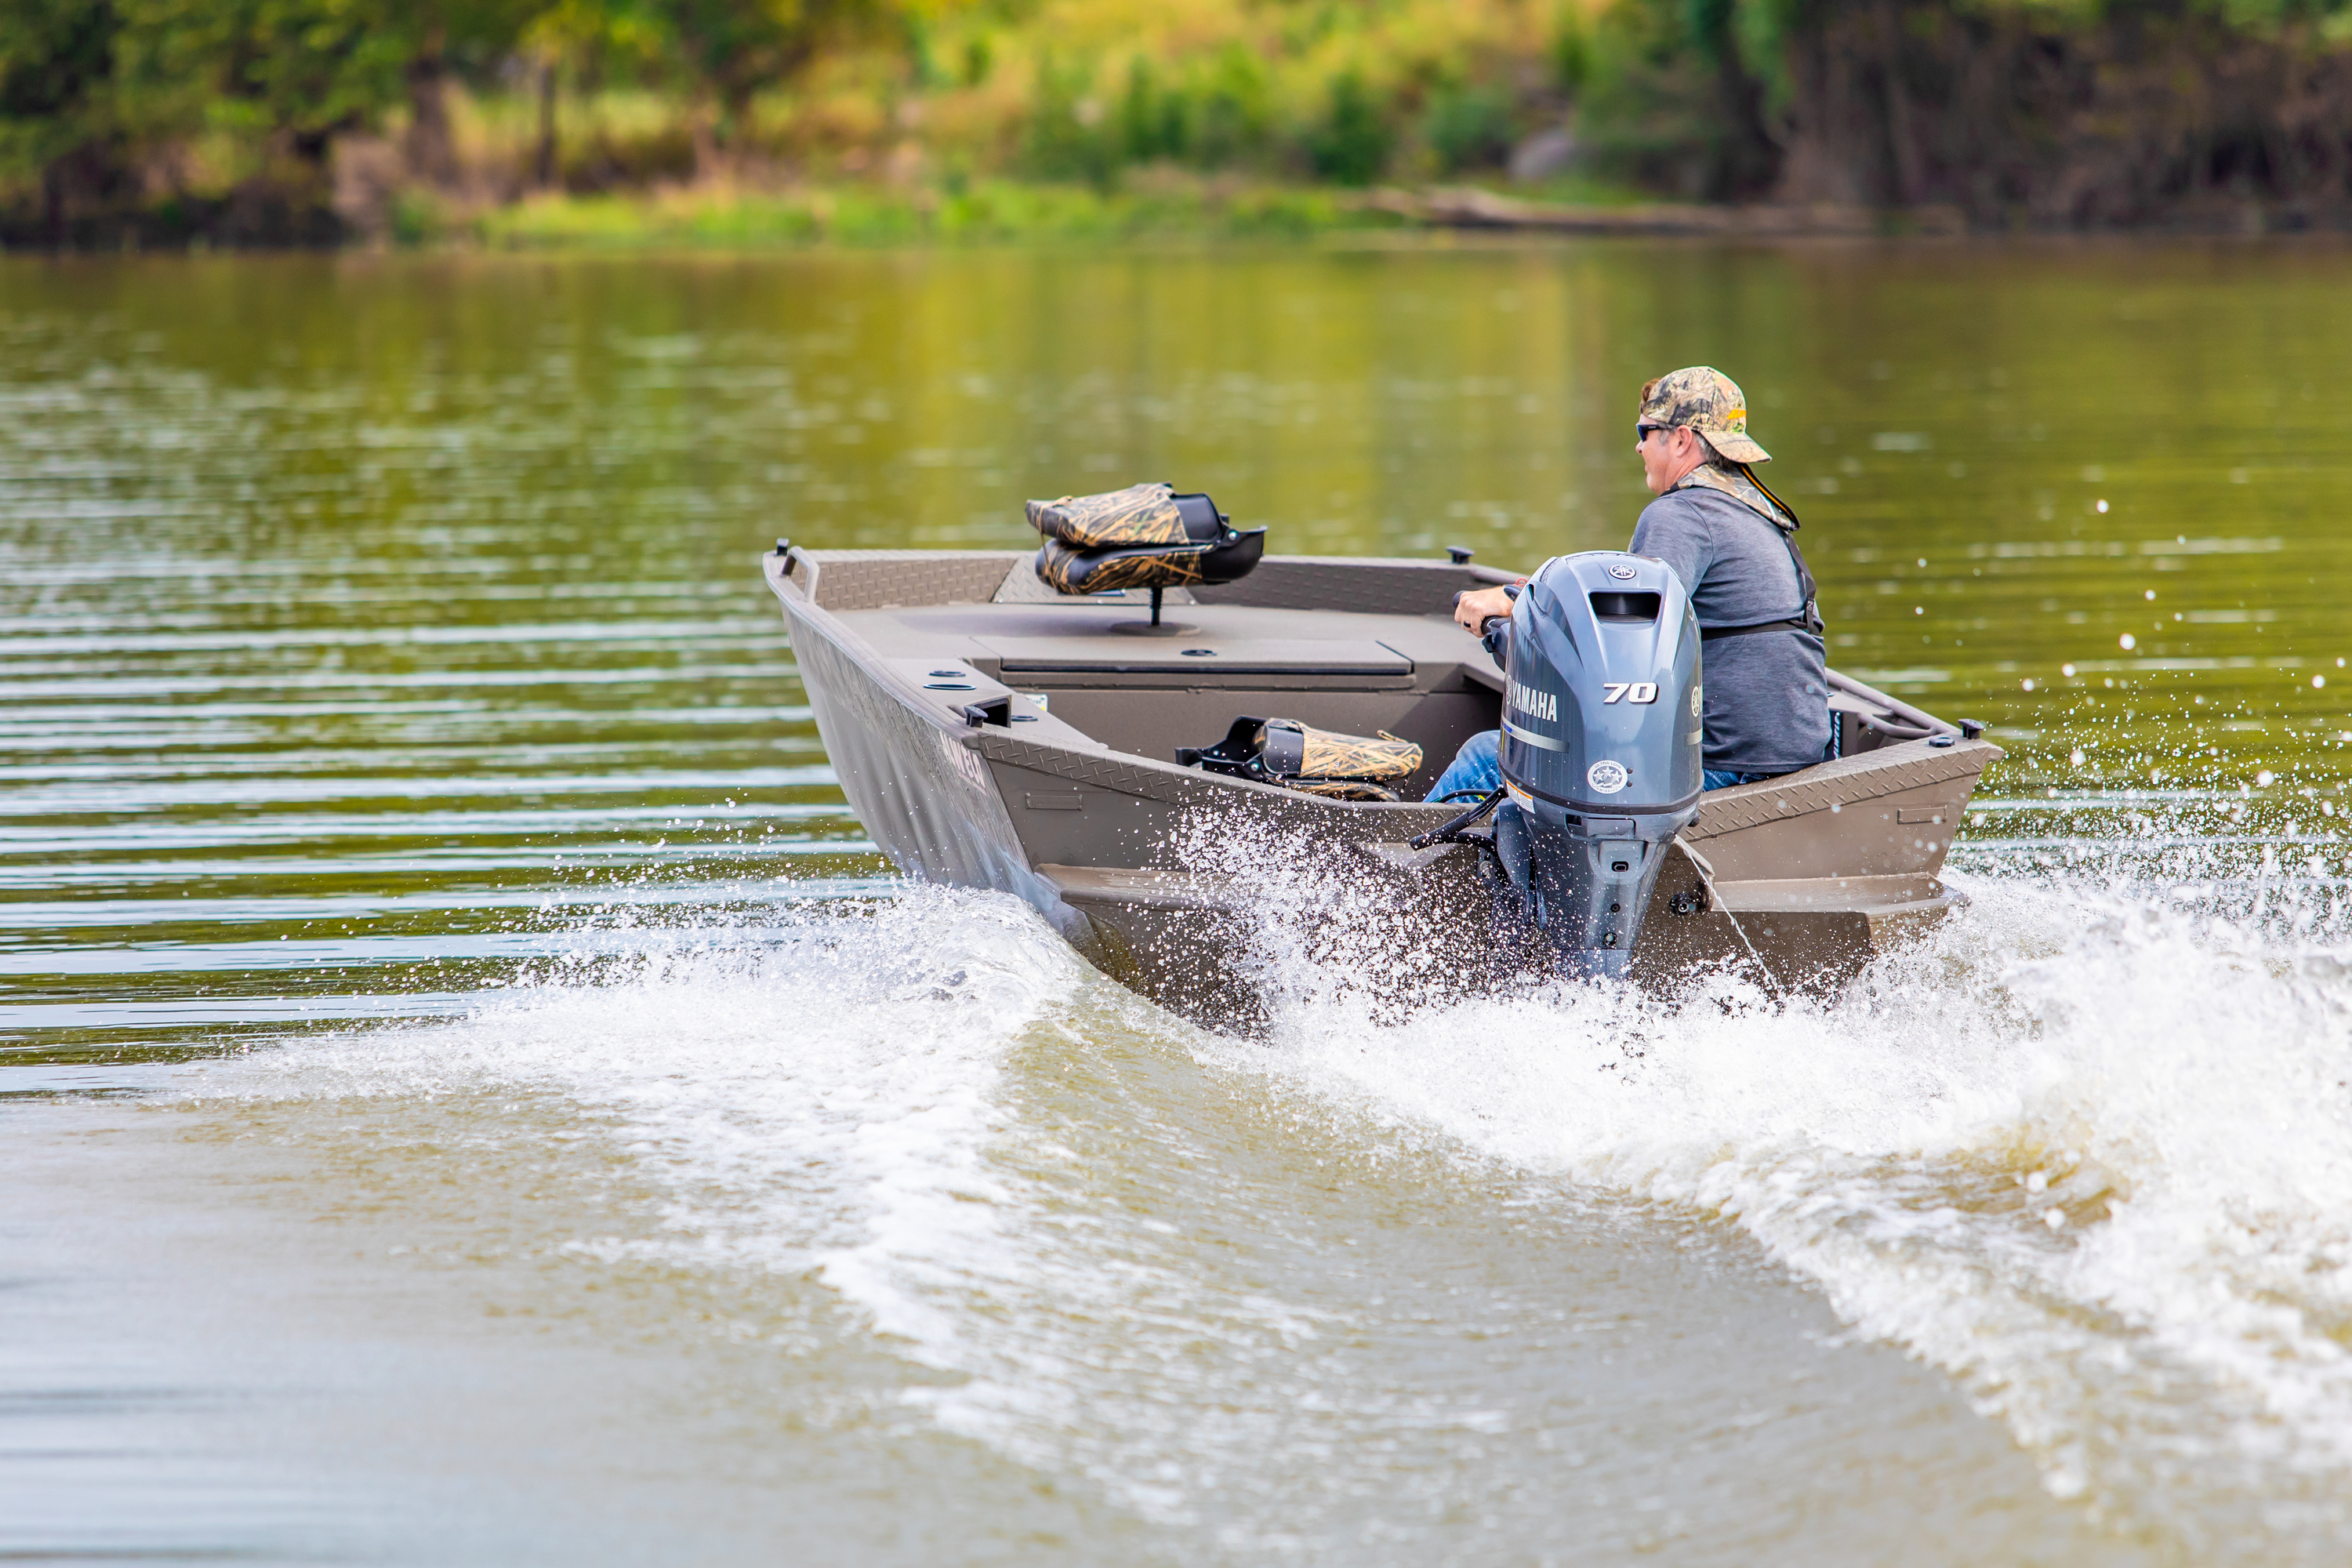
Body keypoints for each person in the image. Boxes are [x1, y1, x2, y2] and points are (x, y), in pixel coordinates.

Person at [1428, 365, 1831, 800]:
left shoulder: (1682, 515)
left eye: (1645, 430)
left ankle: (1401, 867)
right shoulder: (1758, 517)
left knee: (1484, 759)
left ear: (1680, 440)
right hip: (1798, 757)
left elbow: (1622, 644)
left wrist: (1514, 611)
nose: (1638, 446)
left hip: (1725, 765)